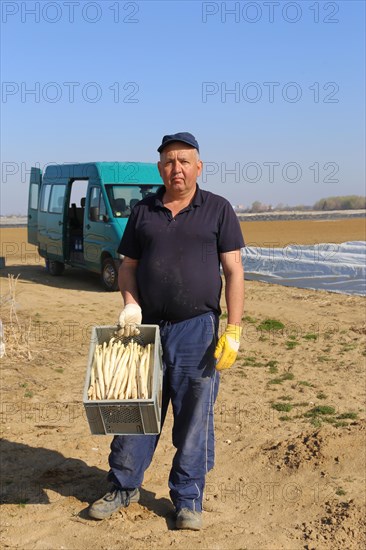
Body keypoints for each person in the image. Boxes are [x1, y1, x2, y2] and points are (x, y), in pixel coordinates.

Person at [89, 132, 245, 530]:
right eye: (169, 161)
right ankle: (123, 486)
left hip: (198, 329)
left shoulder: (219, 209)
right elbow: (128, 266)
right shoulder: (143, 211)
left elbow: (233, 270)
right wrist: (130, 303)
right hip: (146, 330)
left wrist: (234, 327)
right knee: (132, 410)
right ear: (160, 168)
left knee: (194, 417)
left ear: (198, 167)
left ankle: (188, 499)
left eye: (185, 161)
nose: (177, 168)